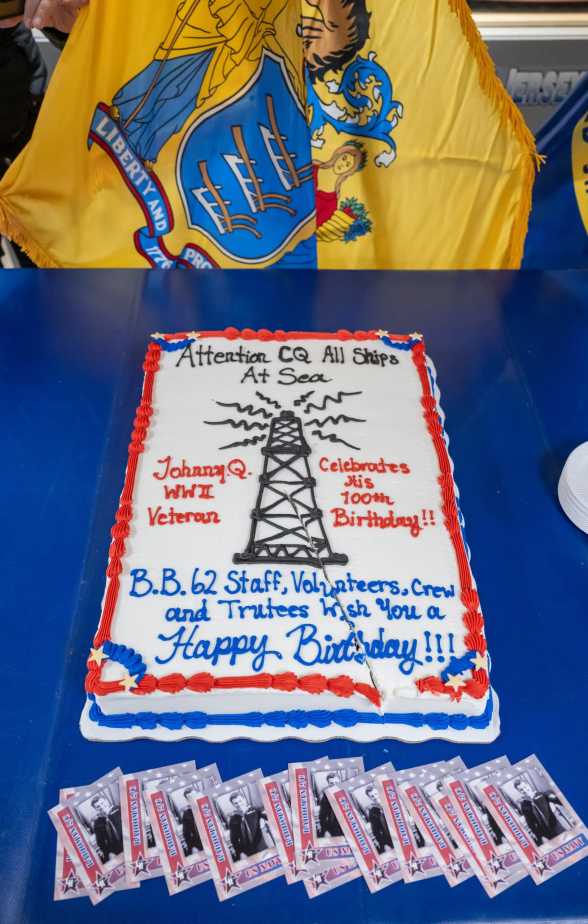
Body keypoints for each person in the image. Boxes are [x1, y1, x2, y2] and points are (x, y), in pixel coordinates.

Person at [312, 141, 367, 228]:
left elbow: (316, 225)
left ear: (349, 170)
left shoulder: (331, 201)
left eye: (348, 165)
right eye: (344, 158)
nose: (342, 165)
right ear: (338, 155)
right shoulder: (313, 167)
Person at [513, 778, 565, 846]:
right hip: (545, 833)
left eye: (525, 787)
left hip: (556, 826)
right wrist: (540, 837)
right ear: (519, 791)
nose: (525, 790)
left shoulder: (541, 794)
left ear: (528, 785)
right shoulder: (524, 805)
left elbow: (560, 801)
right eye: (521, 790)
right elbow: (530, 824)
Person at [228, 791, 271, 860]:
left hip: (261, 847)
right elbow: (234, 839)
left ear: (244, 799)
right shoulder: (233, 819)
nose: (239, 804)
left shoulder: (255, 810)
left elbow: (270, 818)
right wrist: (240, 853)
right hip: (247, 852)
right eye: (236, 803)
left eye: (240, 801)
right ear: (233, 805)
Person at [91, 794, 123, 862]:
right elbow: (101, 843)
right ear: (96, 809)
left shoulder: (119, 809)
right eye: (98, 806)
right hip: (116, 851)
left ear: (106, 801)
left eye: (102, 803)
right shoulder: (97, 823)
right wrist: (109, 853)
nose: (102, 807)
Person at [364, 784, 393, 854]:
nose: (375, 797)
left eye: (376, 794)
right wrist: (385, 845)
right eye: (372, 796)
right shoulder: (372, 812)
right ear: (370, 798)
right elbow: (376, 832)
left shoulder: (391, 802)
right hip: (390, 840)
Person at [318, 772, 342, 838]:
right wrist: (326, 831)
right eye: (331, 784)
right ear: (328, 784)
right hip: (335, 828)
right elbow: (322, 817)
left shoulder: (347, 793)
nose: (334, 786)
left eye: (336, 783)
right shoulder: (326, 797)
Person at [181, 788, 202, 855]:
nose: (193, 799)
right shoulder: (186, 814)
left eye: (194, 796)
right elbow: (186, 834)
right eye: (190, 798)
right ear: (187, 800)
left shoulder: (206, 807)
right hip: (201, 844)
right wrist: (193, 847)